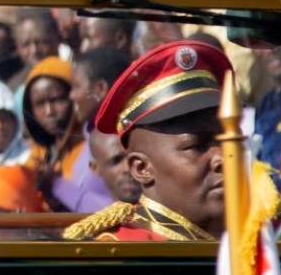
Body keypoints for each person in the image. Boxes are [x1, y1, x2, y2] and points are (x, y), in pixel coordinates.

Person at [63, 40, 233, 242]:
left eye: (227, 141)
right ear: (141, 168)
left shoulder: (266, 237)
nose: (222, 157)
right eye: (196, 146)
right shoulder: (117, 256)